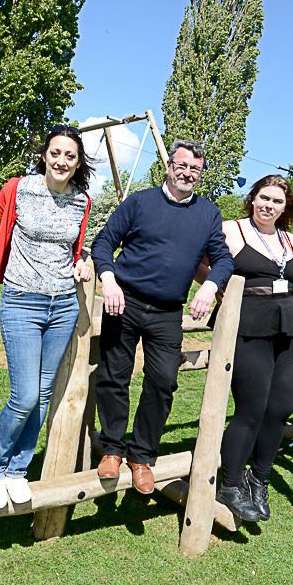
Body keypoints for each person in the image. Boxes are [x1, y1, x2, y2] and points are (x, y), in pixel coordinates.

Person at [0, 126, 94, 510]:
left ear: (78, 161)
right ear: (45, 154)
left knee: (44, 394)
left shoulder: (82, 202)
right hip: (22, 303)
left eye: (70, 155)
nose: (61, 161)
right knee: (25, 396)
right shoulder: (18, 188)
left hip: (63, 306)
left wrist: (82, 262)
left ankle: (18, 470)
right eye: (56, 152)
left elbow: (77, 249)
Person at [91, 139, 234, 495]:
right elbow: (104, 242)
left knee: (163, 381)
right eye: (181, 166)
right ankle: (111, 447)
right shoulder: (139, 202)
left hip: (167, 312)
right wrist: (107, 279)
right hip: (123, 302)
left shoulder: (208, 214)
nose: (187, 173)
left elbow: (224, 259)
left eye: (195, 170)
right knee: (114, 376)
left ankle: (141, 455)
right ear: (169, 167)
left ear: (200, 175)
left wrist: (210, 286)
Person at [204, 175, 293, 522]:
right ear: (252, 199)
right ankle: (231, 483)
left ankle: (259, 479)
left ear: (286, 207)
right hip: (247, 326)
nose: (269, 205)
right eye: (264, 198)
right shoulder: (231, 230)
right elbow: (199, 263)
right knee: (251, 408)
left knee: (280, 408)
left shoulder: (292, 242)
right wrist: (216, 287)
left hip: (288, 330)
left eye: (277, 201)